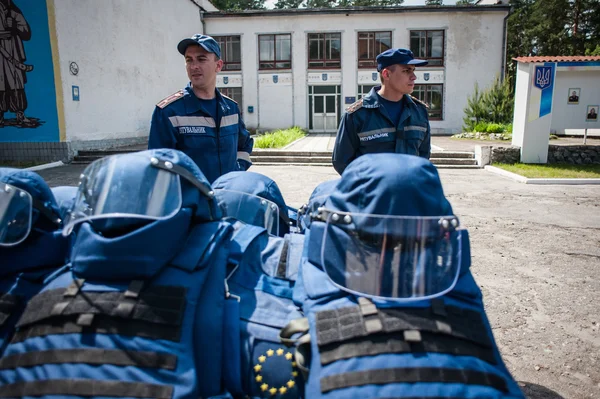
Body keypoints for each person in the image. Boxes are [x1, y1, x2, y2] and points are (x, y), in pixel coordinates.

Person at [148, 34, 253, 184]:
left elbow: (244, 145)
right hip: (191, 204)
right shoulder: (169, 112)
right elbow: (158, 166)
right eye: (189, 60)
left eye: (201, 59)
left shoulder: (230, 108)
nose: (194, 66)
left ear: (218, 65)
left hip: (228, 198)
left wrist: (237, 171)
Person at [332, 48, 431, 175]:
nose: (413, 77)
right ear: (386, 74)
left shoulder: (419, 112)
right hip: (372, 194)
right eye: (406, 71)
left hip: (408, 193)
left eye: (413, 70)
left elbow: (423, 156)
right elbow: (342, 161)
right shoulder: (357, 115)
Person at [0, 0, 33, 127]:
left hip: (13, 52)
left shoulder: (14, 12)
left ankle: (20, 114)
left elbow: (26, 33)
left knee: (16, 83)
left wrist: (15, 26)